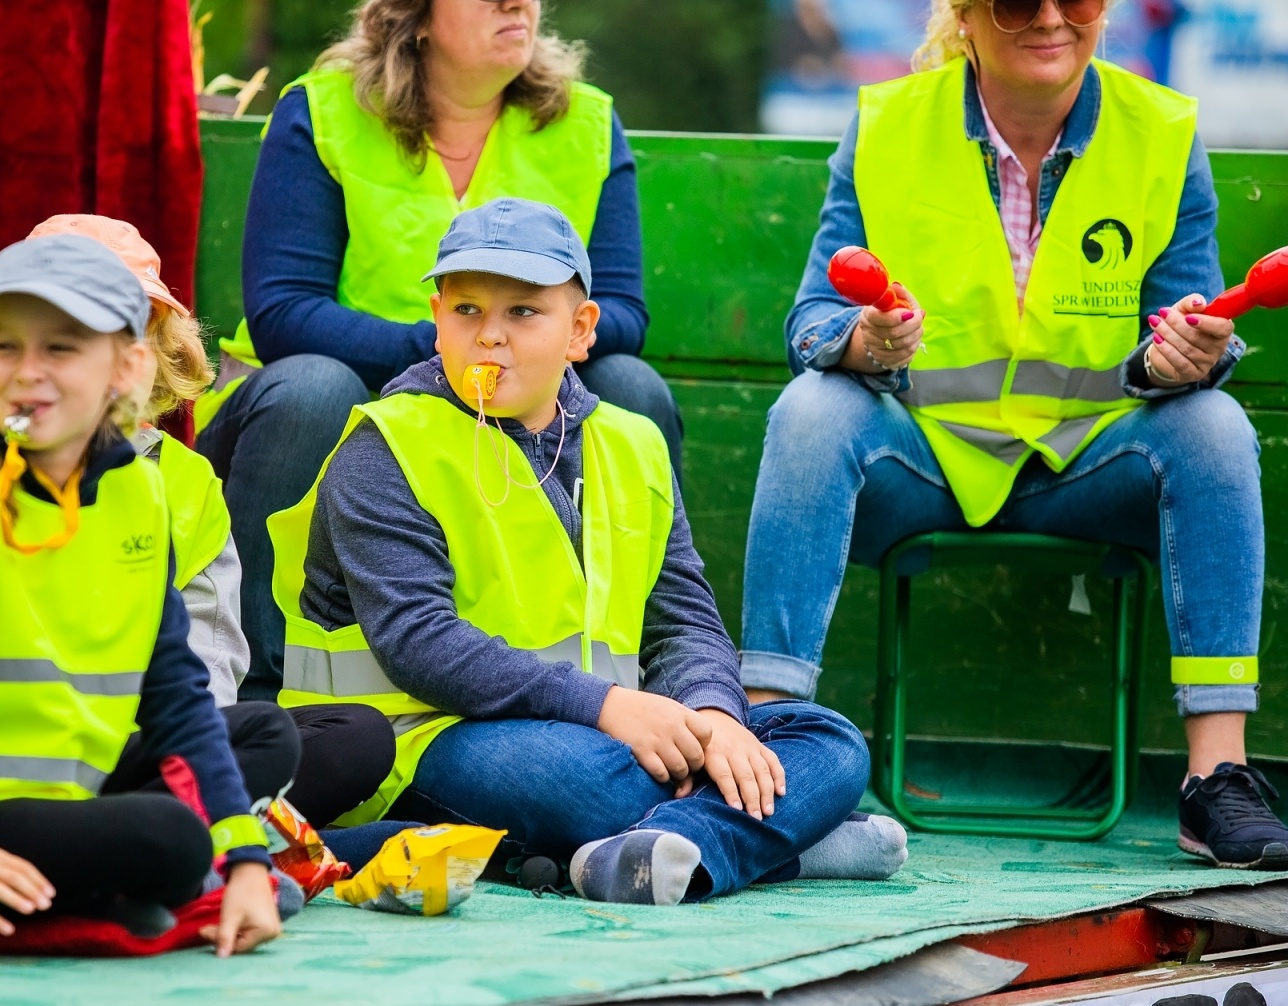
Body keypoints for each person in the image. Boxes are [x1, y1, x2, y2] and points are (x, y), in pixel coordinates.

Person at [741, 0, 1288, 866]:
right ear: (962, 16)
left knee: (1215, 425)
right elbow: (813, 316)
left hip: (1087, 464)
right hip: (923, 459)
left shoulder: (1164, 131)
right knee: (809, 410)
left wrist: (1185, 356)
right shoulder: (887, 124)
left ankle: (1213, 781)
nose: (1049, 18)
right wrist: (859, 341)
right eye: (1014, 0)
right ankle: (764, 755)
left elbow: (1175, 329)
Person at [271, 198, 904, 906]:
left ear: (580, 331)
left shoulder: (634, 443)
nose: (491, 337)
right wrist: (612, 708)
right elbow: (419, 642)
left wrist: (716, 714)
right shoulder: (384, 446)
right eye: (468, 311)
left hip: (606, 722)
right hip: (423, 737)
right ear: (437, 320)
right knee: (588, 783)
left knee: (830, 739)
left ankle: (673, 849)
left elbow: (683, 622)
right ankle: (780, 843)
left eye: (522, 312)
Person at [196, 0, 676, 699]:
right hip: (355, 403)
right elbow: (283, 311)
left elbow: (624, 313)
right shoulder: (322, 110)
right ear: (414, 16)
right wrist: (453, 351)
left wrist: (509, 349)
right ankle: (259, 697)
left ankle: (646, 684)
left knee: (630, 388)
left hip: (520, 399)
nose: (519, 3)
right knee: (311, 391)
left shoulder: (588, 121)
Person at [0, 235, 282, 954]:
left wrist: (248, 859)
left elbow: (175, 693)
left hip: (65, 796)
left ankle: (106, 887)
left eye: (62, 349)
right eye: (4, 347)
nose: (27, 374)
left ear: (128, 367)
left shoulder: (140, 490)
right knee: (167, 841)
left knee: (262, 732)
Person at [23, 214, 395, 827]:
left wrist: (200, 769)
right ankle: (212, 844)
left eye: (124, 324)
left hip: (143, 750)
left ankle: (193, 835)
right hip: (9, 755)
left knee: (354, 734)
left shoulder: (185, 479)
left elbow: (208, 667)